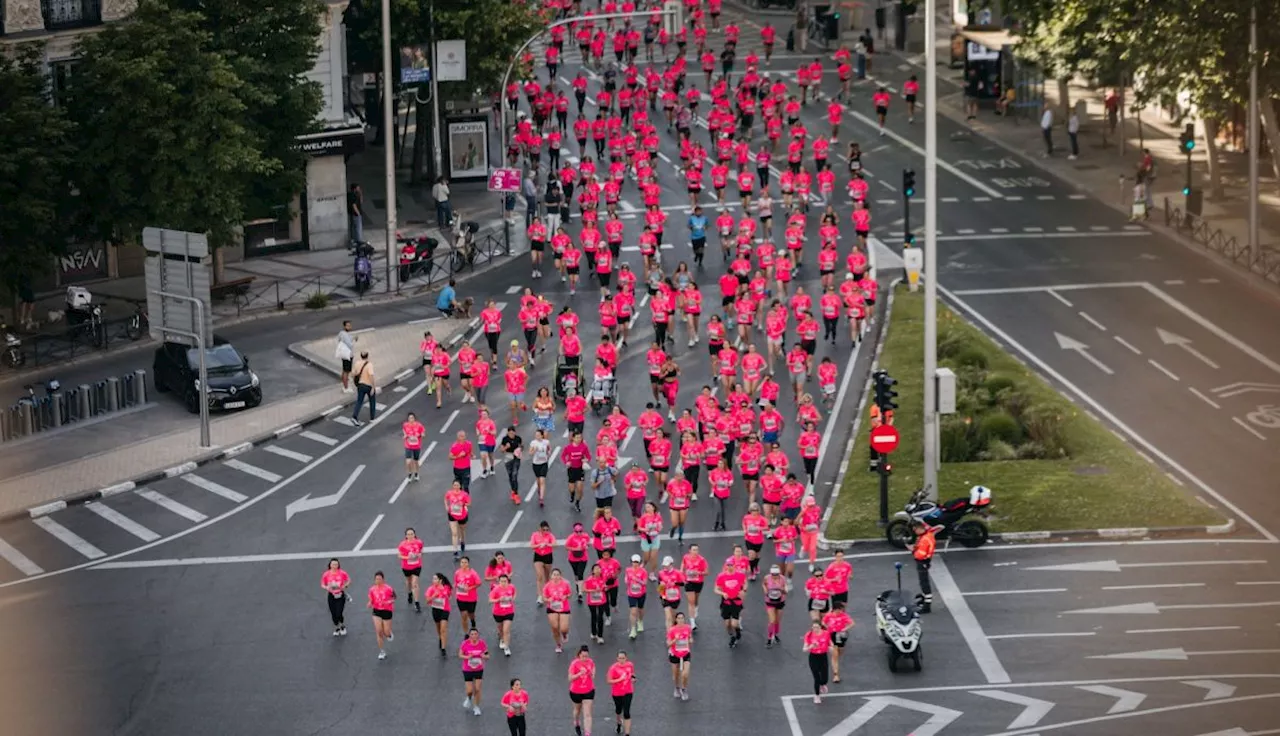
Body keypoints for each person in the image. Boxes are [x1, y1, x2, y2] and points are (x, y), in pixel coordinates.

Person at [714, 558, 747, 647]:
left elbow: (745, 583)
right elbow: (716, 589)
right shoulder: (721, 576)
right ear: (725, 566)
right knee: (727, 624)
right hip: (726, 602)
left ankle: (737, 631)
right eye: (728, 565)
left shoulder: (740, 575)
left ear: (734, 565)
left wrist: (744, 590)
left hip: (736, 601)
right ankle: (732, 636)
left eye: (731, 565)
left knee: (734, 623)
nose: (729, 567)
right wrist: (722, 593)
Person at [460, 628, 490, 716]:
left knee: (477, 689)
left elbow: (488, 655)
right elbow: (460, 655)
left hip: (479, 669)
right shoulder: (465, 644)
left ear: (478, 635)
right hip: (467, 669)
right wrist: (467, 657)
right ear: (469, 636)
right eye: (472, 634)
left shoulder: (482, 643)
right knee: (469, 691)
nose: (474, 636)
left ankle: (476, 707)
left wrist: (484, 656)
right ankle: (469, 698)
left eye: (475, 634)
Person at [822, 601, 854, 683]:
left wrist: (844, 629)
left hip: (840, 635)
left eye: (841, 610)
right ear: (834, 609)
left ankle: (835, 659)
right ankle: (836, 675)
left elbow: (852, 623)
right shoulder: (829, 615)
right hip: (831, 635)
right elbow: (823, 622)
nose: (839, 612)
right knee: (834, 654)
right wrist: (827, 627)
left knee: (840, 650)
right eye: (838, 610)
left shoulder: (844, 616)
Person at [568, 645, 597, 736]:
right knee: (577, 710)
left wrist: (591, 673)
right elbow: (570, 678)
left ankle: (587, 733)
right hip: (576, 691)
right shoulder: (574, 664)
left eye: (586, 656)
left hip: (588, 690)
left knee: (587, 713)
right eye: (583, 656)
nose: (585, 658)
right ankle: (576, 722)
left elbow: (593, 674)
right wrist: (580, 673)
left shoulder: (591, 662)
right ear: (579, 655)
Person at [544, 568, 574, 652]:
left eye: (558, 575)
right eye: (554, 574)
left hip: (564, 607)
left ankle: (564, 634)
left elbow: (570, 593)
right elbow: (544, 597)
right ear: (551, 576)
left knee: (563, 628)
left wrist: (566, 596)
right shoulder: (548, 585)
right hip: (552, 608)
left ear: (560, 576)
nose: (556, 576)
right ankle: (558, 644)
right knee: (555, 627)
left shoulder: (565, 584)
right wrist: (548, 600)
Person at [367, 570, 396, 660]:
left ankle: (389, 634)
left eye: (379, 579)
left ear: (383, 579)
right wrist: (369, 603)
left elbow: (394, 598)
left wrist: (387, 602)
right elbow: (371, 598)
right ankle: (382, 651)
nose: (378, 581)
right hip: (376, 611)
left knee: (386, 632)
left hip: (387, 610)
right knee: (379, 631)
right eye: (376, 579)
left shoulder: (388, 588)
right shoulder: (372, 589)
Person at [606, 651, 636, 735]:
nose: (621, 660)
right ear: (617, 659)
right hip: (617, 693)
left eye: (623, 658)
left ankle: (627, 733)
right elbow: (608, 681)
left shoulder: (630, 665)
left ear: (626, 658)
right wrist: (620, 679)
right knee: (618, 710)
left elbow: (632, 674)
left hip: (628, 691)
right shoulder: (613, 668)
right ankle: (619, 722)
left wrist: (633, 678)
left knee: (626, 712)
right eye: (619, 658)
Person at [666, 611, 694, 701]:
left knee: (685, 674)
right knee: (675, 675)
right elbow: (668, 644)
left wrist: (690, 640)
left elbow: (690, 637)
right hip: (675, 654)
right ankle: (677, 687)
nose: (681, 620)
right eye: (679, 618)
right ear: (676, 620)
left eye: (682, 618)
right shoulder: (672, 630)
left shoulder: (688, 628)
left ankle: (684, 689)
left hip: (685, 653)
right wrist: (675, 640)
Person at [424, 572, 454, 656]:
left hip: (445, 610)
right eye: (433, 579)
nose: (433, 580)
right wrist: (434, 596)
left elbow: (449, 596)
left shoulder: (446, 587)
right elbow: (427, 601)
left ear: (440, 580)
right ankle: (440, 638)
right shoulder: (431, 589)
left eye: (435, 579)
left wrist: (444, 593)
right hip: (436, 610)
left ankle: (443, 648)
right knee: (438, 628)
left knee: (443, 629)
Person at [321, 558, 351, 637]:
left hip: (340, 595)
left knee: (339, 613)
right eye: (333, 564)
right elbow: (322, 584)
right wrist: (326, 587)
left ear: (338, 565)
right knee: (333, 614)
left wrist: (345, 585)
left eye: (336, 564)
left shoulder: (342, 573)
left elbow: (348, 580)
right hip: (331, 595)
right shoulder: (326, 574)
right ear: (330, 565)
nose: (334, 566)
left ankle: (342, 626)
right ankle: (337, 627)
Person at [802, 621, 830, 703]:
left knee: (825, 678)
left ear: (820, 627)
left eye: (817, 627)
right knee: (816, 677)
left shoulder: (826, 634)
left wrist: (831, 648)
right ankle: (817, 696)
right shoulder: (809, 635)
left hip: (823, 656)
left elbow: (829, 643)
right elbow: (804, 649)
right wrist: (810, 646)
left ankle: (823, 684)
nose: (815, 629)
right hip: (813, 657)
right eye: (813, 627)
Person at [489, 573, 517, 656]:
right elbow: (490, 600)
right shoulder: (496, 589)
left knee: (506, 630)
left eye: (505, 581)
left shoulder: (511, 587)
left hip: (509, 611)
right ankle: (502, 639)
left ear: (508, 581)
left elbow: (514, 593)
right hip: (498, 612)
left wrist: (513, 598)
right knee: (501, 629)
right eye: (501, 581)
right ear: (499, 582)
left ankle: (507, 647)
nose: (503, 583)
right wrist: (498, 600)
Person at [398, 527, 425, 613]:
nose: (410, 536)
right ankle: (409, 593)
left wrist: (419, 555)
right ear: (406, 535)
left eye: (412, 534)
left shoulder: (419, 542)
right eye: (408, 534)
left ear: (414, 534)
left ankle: (417, 603)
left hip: (417, 566)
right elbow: (399, 556)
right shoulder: (402, 544)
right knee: (408, 582)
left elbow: (421, 551)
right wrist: (407, 557)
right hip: (406, 567)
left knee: (414, 584)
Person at [913, 519, 937, 613]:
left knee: (924, 582)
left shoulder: (926, 538)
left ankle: (927, 604)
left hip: (923, 561)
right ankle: (924, 597)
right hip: (921, 561)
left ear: (921, 528)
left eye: (915, 529)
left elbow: (926, 552)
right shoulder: (923, 536)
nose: (915, 531)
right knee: (922, 581)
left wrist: (915, 551)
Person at [624, 553, 649, 640]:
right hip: (631, 594)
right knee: (633, 611)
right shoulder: (628, 570)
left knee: (640, 609)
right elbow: (626, 579)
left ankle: (640, 621)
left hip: (641, 593)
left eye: (637, 562)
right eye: (633, 562)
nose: (635, 564)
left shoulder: (643, 571)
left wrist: (637, 580)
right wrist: (627, 581)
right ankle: (633, 629)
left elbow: (645, 583)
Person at [762, 563, 787, 647]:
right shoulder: (767, 578)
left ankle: (775, 634)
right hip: (770, 601)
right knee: (772, 620)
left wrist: (781, 588)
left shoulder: (783, 579)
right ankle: (769, 638)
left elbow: (786, 591)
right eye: (773, 574)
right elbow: (764, 584)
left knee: (777, 621)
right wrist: (765, 590)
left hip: (780, 601)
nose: (774, 576)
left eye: (776, 575)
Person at [350, 351, 376, 425]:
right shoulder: (369, 365)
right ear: (367, 356)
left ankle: (354, 416)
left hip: (360, 385)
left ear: (361, 356)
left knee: (359, 401)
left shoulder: (357, 363)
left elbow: (353, 374)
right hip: (368, 386)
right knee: (372, 401)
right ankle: (372, 418)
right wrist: (373, 387)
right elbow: (371, 376)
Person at [500, 426, 524, 504]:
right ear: (508, 433)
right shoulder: (505, 439)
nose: (511, 433)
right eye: (509, 432)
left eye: (512, 432)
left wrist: (520, 449)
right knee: (510, 476)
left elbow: (522, 446)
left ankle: (516, 495)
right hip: (508, 458)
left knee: (514, 475)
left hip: (516, 458)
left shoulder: (518, 438)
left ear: (515, 432)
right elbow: (501, 450)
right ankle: (513, 491)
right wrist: (506, 447)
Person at [403, 412, 426, 481]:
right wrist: (405, 436)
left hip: (416, 446)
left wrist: (420, 435)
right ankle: (410, 473)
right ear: (408, 419)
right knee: (408, 461)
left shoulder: (419, 425)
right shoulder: (405, 425)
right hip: (408, 445)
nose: (411, 419)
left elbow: (423, 433)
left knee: (416, 461)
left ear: (414, 418)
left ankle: (416, 473)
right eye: (409, 418)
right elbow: (404, 431)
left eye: (412, 418)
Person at [335, 320, 356, 392]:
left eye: (350, 325)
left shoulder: (341, 333)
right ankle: (346, 388)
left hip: (344, 354)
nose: (350, 327)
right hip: (348, 355)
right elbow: (350, 345)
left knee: (344, 370)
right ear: (344, 326)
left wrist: (352, 338)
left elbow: (339, 340)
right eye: (348, 325)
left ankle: (344, 383)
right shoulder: (345, 334)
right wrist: (354, 340)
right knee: (346, 371)